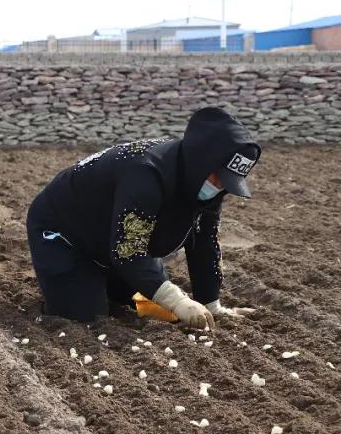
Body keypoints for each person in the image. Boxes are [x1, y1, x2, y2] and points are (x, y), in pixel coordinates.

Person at [26, 106, 261, 328]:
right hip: (64, 234)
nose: (219, 187)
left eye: (227, 182)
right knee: (87, 317)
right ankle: (72, 283)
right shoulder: (146, 174)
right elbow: (129, 250)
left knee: (157, 307)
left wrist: (211, 304)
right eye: (217, 177)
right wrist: (177, 299)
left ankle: (104, 282)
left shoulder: (204, 187)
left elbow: (204, 242)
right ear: (201, 161)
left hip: (113, 240)